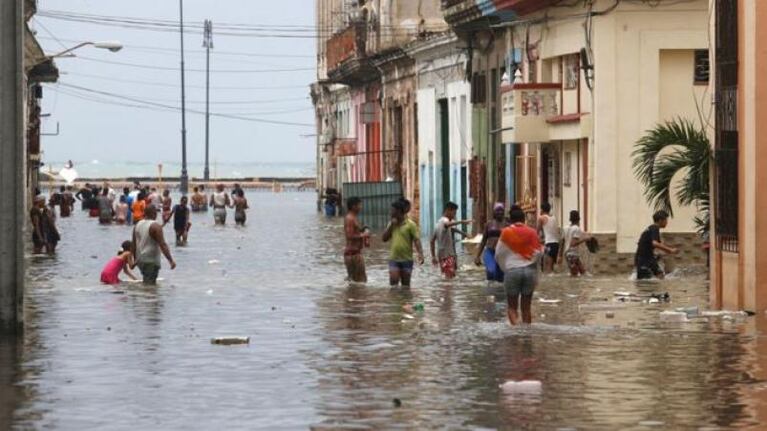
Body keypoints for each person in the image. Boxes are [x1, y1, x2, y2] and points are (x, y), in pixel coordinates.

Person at [495, 206, 543, 325]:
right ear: (524, 219)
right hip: (530, 272)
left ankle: (516, 332)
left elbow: (498, 254)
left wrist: (505, 268)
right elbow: (539, 253)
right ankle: (526, 335)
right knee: (526, 308)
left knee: (512, 307)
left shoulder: (506, 232)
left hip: (512, 272)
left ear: (510, 220)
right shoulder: (532, 232)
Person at [382, 198, 424, 288]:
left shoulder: (411, 224)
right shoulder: (391, 224)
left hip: (407, 259)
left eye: (392, 211)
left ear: (399, 211)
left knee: (405, 286)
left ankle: (405, 301)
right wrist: (391, 226)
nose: (391, 213)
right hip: (394, 259)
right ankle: (394, 301)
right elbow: (384, 239)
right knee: (393, 282)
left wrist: (420, 254)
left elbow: (416, 240)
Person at [132, 206, 176, 284]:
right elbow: (163, 245)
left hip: (141, 260)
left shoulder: (137, 225)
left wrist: (136, 259)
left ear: (144, 214)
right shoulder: (156, 226)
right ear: (155, 214)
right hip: (150, 261)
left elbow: (134, 244)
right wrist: (171, 260)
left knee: (147, 283)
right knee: (149, 287)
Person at [430, 202, 472, 279]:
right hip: (447, 255)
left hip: (441, 255)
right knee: (449, 278)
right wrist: (462, 222)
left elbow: (432, 241)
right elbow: (447, 225)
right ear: (448, 210)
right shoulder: (445, 221)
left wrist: (433, 256)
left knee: (448, 276)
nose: (454, 215)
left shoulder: (438, 223)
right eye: (454, 213)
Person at [635, 210, 679, 280]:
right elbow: (655, 243)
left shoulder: (652, 228)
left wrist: (661, 255)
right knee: (644, 281)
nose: (667, 222)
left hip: (648, 258)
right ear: (660, 220)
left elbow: (655, 245)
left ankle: (657, 290)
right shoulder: (654, 228)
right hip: (643, 259)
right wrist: (670, 250)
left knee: (660, 275)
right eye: (666, 220)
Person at [475, 203, 509, 282]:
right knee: (491, 271)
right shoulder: (489, 224)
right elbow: (483, 241)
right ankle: (489, 291)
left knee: (500, 278)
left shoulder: (507, 225)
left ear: (504, 212)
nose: (499, 212)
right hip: (490, 251)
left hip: (502, 254)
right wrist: (477, 256)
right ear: (494, 212)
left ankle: (498, 292)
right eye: (497, 210)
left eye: (501, 210)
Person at [343, 197, 370, 283]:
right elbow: (349, 235)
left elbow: (354, 232)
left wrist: (362, 230)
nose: (361, 207)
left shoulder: (353, 217)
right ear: (354, 206)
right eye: (359, 205)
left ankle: (353, 295)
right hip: (353, 254)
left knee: (355, 281)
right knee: (361, 281)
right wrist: (364, 235)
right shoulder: (350, 218)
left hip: (354, 253)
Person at [562, 210, 591, 277]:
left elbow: (562, 242)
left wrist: (560, 256)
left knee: (583, 273)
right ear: (579, 219)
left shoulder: (565, 228)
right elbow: (573, 243)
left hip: (568, 254)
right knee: (575, 275)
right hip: (573, 255)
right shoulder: (577, 229)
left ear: (570, 219)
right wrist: (585, 239)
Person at [537, 202, 561, 273]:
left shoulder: (541, 218)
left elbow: (536, 232)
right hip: (556, 244)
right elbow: (555, 232)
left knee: (548, 268)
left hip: (549, 245)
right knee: (552, 268)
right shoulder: (554, 218)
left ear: (542, 210)